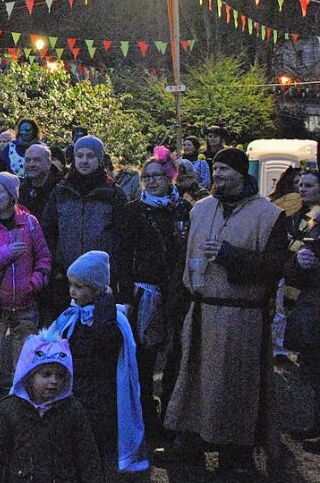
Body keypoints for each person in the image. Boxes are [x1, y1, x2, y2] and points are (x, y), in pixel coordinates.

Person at [163, 147, 289, 474]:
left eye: (225, 170)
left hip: (240, 316)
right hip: (200, 310)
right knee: (193, 382)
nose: (218, 175)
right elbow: (183, 260)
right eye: (216, 169)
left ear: (241, 173)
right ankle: (191, 443)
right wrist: (177, 304)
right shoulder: (200, 210)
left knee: (235, 387)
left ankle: (236, 454)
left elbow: (276, 266)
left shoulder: (269, 215)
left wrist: (230, 255)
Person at [0, 170, 52, 435]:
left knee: (24, 366)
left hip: (25, 304)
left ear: (12, 195)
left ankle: (22, 418)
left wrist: (34, 283)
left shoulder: (29, 223)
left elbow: (44, 259)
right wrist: (4, 254)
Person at [51, 251, 147, 474]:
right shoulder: (72, 314)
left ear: (95, 289)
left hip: (101, 392)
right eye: (71, 284)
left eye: (79, 286)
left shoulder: (110, 318)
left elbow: (107, 341)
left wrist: (105, 306)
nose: (72, 291)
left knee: (94, 443)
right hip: (79, 386)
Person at [120, 152, 185, 444]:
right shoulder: (133, 211)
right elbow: (122, 254)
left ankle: (174, 419)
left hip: (178, 292)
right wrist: (125, 293)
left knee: (176, 357)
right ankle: (148, 420)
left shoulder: (183, 209)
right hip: (144, 292)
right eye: (146, 177)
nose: (151, 182)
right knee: (144, 361)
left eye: (157, 176)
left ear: (170, 176)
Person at [0, 332, 104, 483]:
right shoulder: (10, 409)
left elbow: (88, 455)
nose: (54, 381)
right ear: (29, 376)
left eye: (60, 376)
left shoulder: (72, 410)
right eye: (46, 374)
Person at [40, 135, 135, 314]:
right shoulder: (61, 191)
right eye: (80, 155)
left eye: (90, 156)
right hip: (65, 280)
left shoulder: (114, 194)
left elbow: (123, 243)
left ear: (99, 159)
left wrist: (121, 285)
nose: (84, 161)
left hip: (100, 284)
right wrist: (55, 268)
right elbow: (48, 232)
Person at [284, 170, 320, 451]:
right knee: (310, 367)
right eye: (300, 184)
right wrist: (298, 262)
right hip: (307, 300)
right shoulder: (309, 220)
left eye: (309, 185)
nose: (301, 188)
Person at [18, 143, 59, 224]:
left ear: (48, 163)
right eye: (28, 160)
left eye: (37, 160)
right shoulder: (21, 189)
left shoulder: (60, 189)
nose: (31, 164)